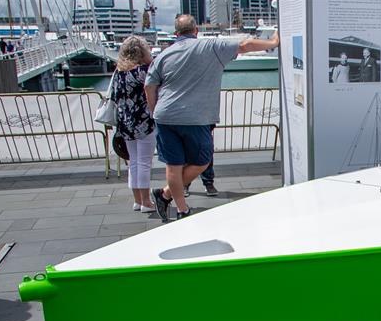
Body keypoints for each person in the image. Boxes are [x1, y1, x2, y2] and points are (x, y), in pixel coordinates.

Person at [145, 14, 279, 222]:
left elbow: (149, 86)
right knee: (202, 161)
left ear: (176, 33)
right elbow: (245, 45)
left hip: (165, 116)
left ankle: (177, 206)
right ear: (196, 31)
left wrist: (155, 111)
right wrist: (273, 42)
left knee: (173, 165)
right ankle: (169, 198)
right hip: (195, 118)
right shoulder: (211, 47)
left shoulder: (164, 55)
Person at [114, 36, 157, 213]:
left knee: (133, 161)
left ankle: (137, 200)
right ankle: (146, 201)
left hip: (125, 122)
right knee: (144, 162)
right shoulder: (142, 71)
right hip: (143, 121)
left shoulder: (119, 71)